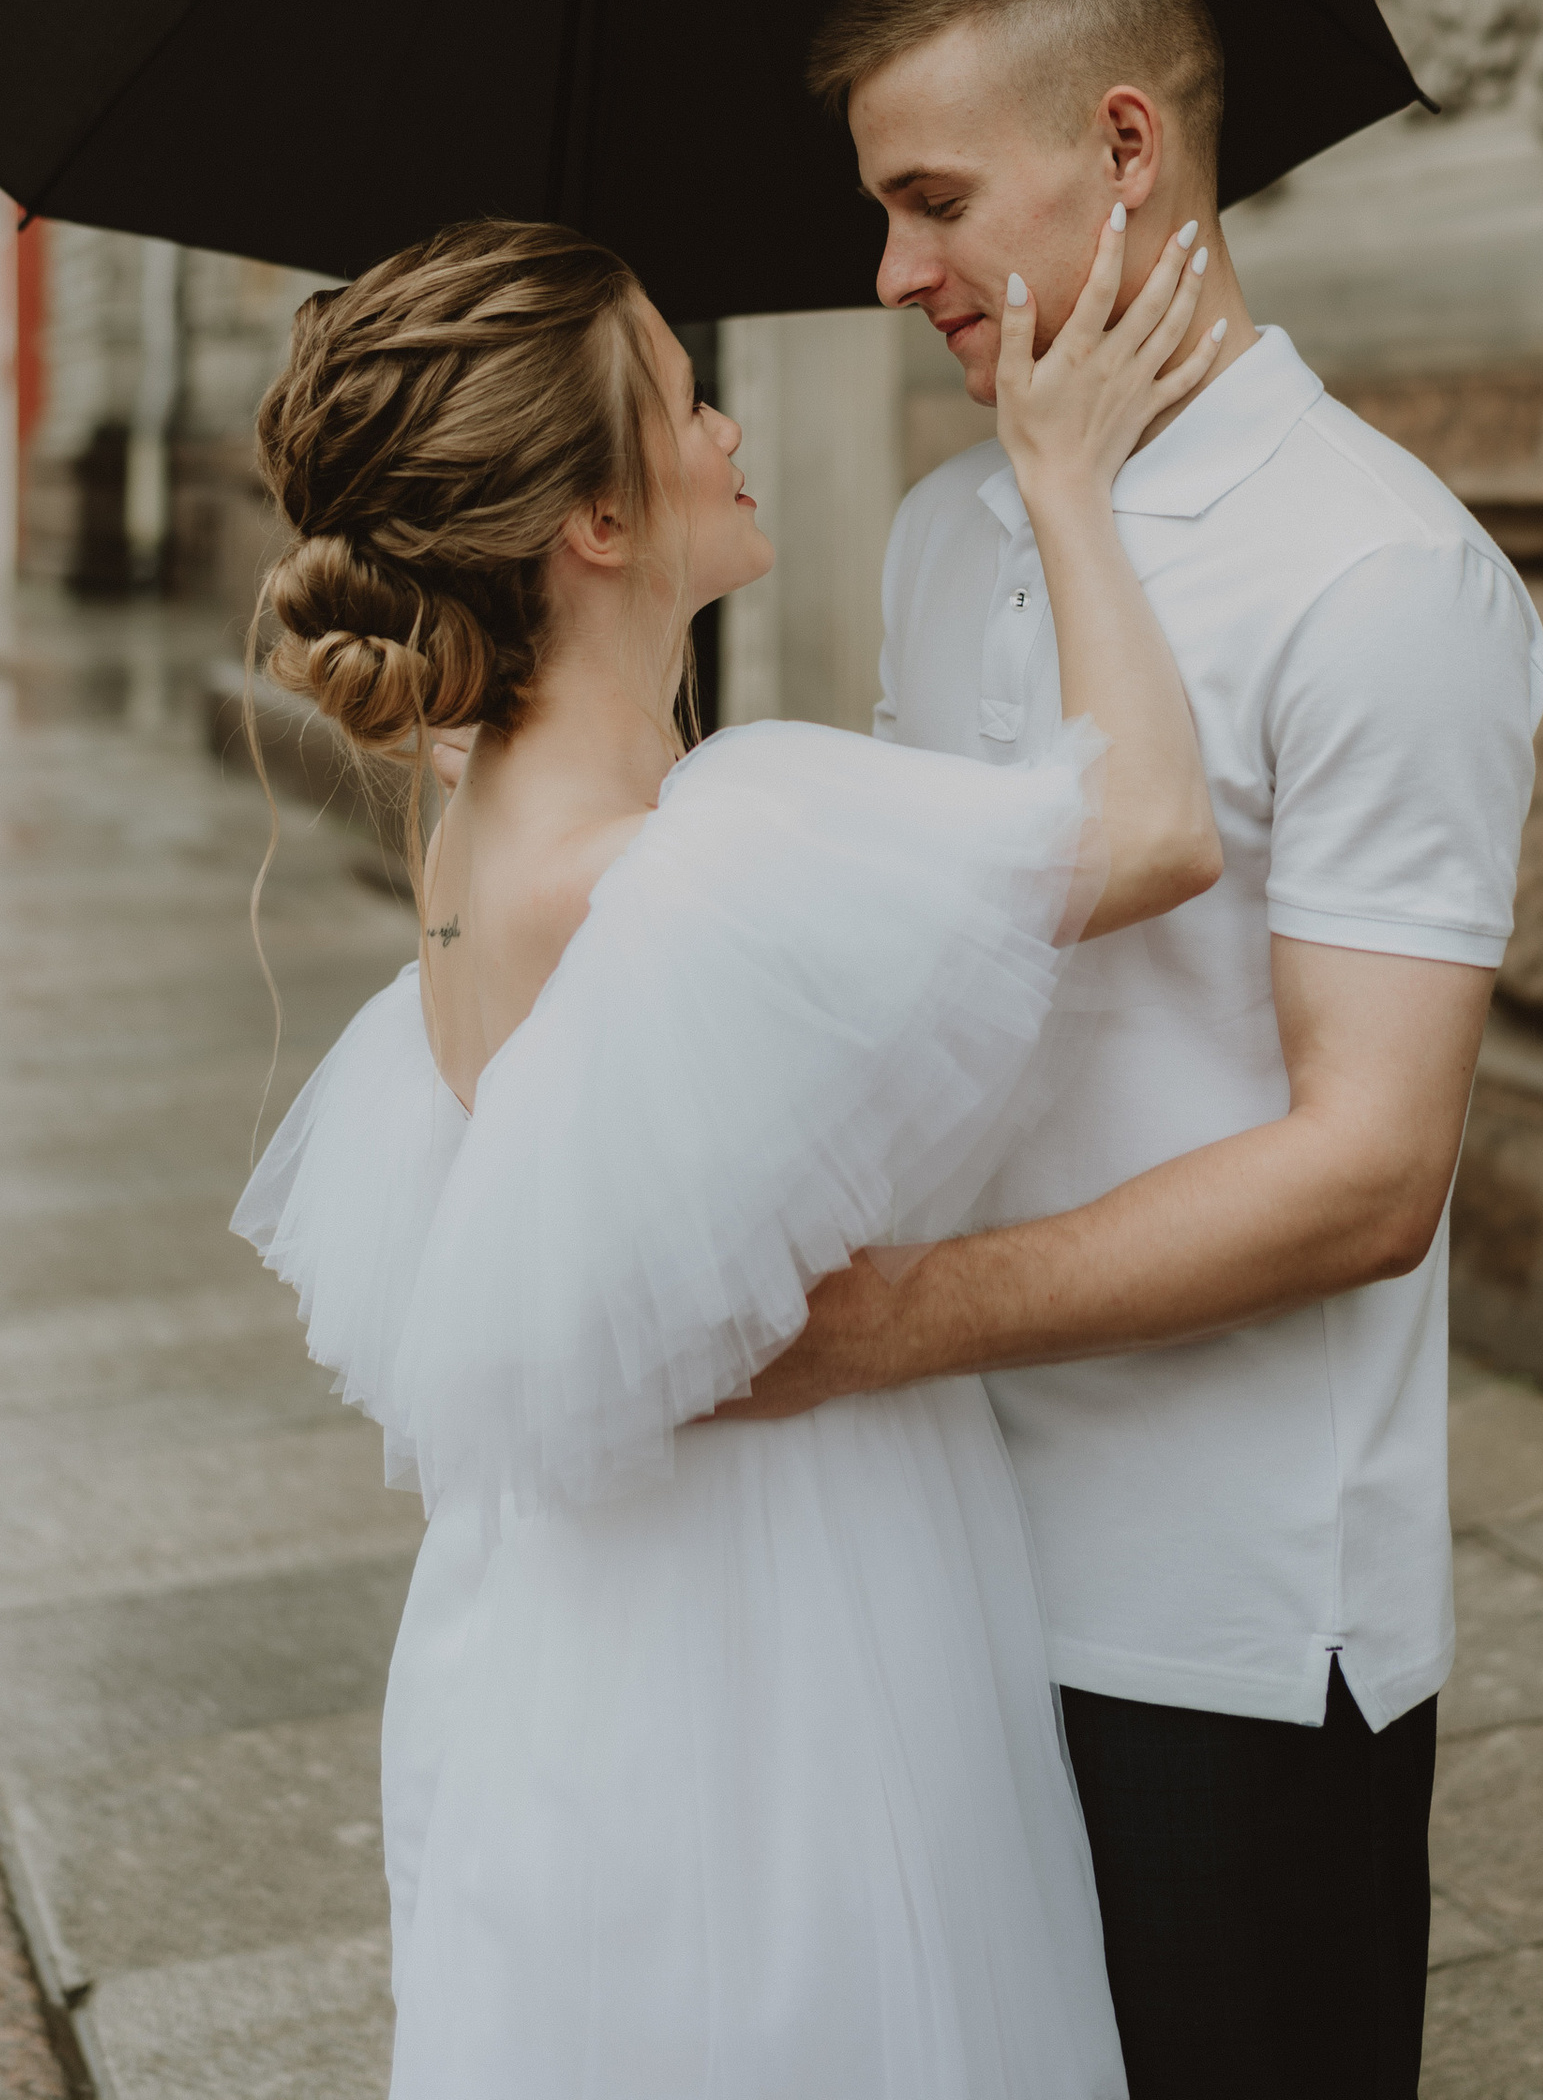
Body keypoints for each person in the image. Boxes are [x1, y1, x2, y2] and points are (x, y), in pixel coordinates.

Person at [231, 210, 1232, 2100]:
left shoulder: (478, 821)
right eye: (687, 402)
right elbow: (1162, 828)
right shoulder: (693, 859)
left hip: (565, 1652)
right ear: (593, 524)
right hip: (780, 1653)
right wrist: (1063, 474)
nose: (729, 430)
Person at [730, 0, 1543, 2100]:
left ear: (1122, 149)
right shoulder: (940, 528)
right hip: (930, 1549)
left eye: (928, 203)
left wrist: (884, 1320)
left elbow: (1370, 1169)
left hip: (1225, 1614)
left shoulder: (1372, 571)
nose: (893, 274)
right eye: (880, 214)